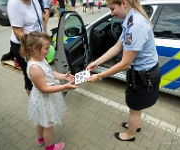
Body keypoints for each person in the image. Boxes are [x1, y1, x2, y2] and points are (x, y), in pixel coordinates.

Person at [86, 0, 161, 142]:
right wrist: (96, 62)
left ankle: (130, 134)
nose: (111, 13)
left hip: (144, 76)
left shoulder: (135, 26)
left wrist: (99, 76)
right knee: (136, 107)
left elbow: (125, 63)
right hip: (142, 74)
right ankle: (134, 124)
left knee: (134, 107)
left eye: (113, 8)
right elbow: (117, 46)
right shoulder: (131, 19)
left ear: (123, 3)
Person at [20, 31, 79, 150]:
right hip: (45, 99)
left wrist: (63, 77)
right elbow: (44, 89)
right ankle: (49, 147)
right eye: (47, 48)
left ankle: (40, 138)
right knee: (48, 125)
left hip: (44, 97)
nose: (49, 51)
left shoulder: (40, 59)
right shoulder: (35, 67)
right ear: (35, 48)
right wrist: (64, 87)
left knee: (41, 120)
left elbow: (48, 72)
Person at [7, 0, 45, 96]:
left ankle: (41, 92)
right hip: (24, 44)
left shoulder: (34, 1)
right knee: (30, 76)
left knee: (41, 70)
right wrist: (33, 47)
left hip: (37, 43)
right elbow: (18, 31)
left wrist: (44, 40)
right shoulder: (14, 4)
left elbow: (40, 21)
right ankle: (33, 99)